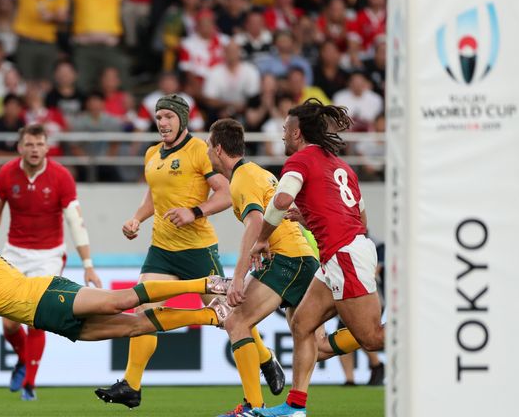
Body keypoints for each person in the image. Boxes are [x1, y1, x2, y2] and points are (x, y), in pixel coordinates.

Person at [0, 203, 234, 377]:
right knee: (133, 326)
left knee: (119, 300)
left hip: (46, 294)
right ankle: (209, 313)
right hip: (45, 315)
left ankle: (205, 283)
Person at [94, 94, 255, 409]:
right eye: (158, 117)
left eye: (168, 116)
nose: (162, 123)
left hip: (198, 249)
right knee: (144, 311)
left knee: (231, 318)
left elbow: (227, 193)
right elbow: (154, 196)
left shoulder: (200, 151)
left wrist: (194, 212)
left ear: (182, 119)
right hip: (162, 249)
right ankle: (132, 385)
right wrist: (136, 219)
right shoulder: (152, 153)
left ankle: (264, 360)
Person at [206, 119, 359, 416]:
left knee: (236, 322)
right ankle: (387, 335)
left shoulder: (241, 179)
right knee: (321, 344)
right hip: (303, 259)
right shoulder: (259, 173)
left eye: (209, 147)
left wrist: (237, 277)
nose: (208, 153)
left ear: (219, 149)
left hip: (288, 260)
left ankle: (253, 407)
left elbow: (254, 222)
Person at [250, 99, 384, 416]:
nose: (282, 135)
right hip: (342, 253)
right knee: (301, 325)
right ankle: (295, 407)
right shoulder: (341, 167)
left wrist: (262, 238)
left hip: (345, 254)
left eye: (285, 129)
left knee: (372, 338)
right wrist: (311, 217)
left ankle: (424, 330)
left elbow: (280, 199)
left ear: (297, 133)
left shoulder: (300, 160)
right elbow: (361, 221)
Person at [0, 124, 103, 401]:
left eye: (39, 144)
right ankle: (23, 361)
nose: (34, 149)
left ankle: (29, 385)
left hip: (49, 255)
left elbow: (75, 221)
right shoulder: (5, 174)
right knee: (10, 324)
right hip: (13, 253)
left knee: (36, 319)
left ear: (47, 147)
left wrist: (88, 264)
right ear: (20, 147)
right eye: (29, 144)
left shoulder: (61, 177)